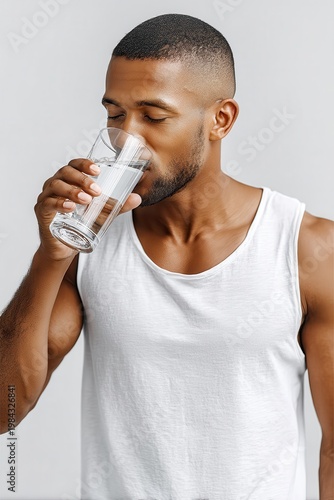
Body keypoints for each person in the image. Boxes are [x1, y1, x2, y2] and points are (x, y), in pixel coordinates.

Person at [0, 13, 333, 500]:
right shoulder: (90, 242)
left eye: (154, 117)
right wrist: (51, 255)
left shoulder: (307, 249)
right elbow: (6, 408)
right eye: (115, 115)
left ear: (221, 119)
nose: (127, 138)